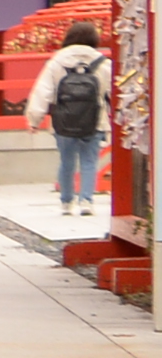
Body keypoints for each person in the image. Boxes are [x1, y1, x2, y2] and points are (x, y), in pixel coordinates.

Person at [36, 23, 111, 215]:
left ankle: (66, 202)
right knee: (89, 161)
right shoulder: (103, 62)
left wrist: (34, 118)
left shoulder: (57, 61)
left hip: (63, 120)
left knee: (66, 161)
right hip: (95, 119)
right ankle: (86, 200)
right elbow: (113, 91)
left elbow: (43, 91)